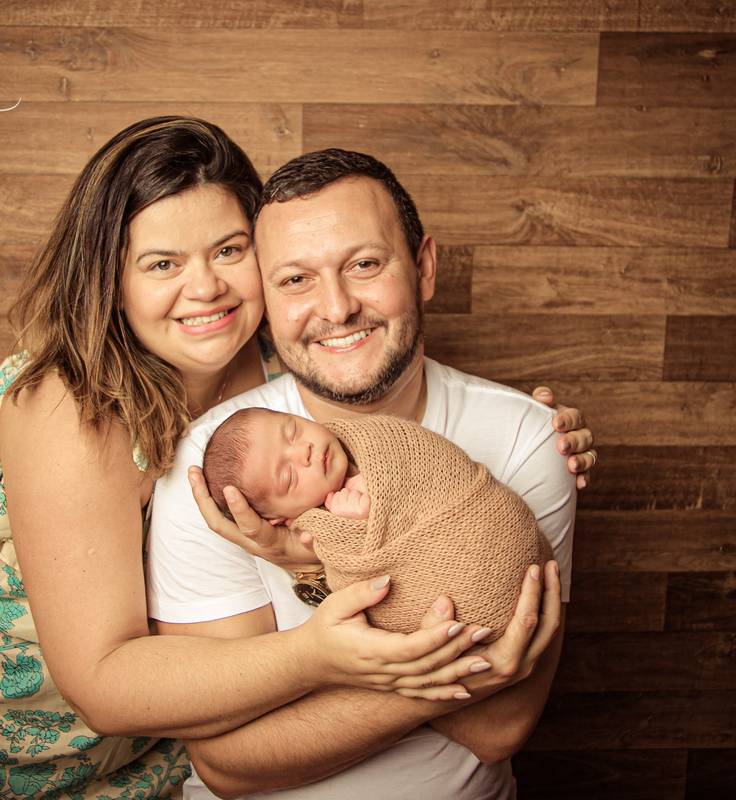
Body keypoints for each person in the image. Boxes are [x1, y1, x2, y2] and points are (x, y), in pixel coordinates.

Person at [0, 120, 537, 800]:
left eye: (229, 250)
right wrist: (318, 657)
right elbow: (105, 685)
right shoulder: (71, 406)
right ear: (109, 280)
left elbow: (395, 387)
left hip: (167, 737)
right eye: (162, 263)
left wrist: (532, 424)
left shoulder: (276, 360)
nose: (205, 287)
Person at [147, 148, 586, 799]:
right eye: (295, 280)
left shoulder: (526, 438)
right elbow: (227, 763)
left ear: (425, 267)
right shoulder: (222, 468)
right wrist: (442, 674)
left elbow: (499, 724)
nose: (337, 306)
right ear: (267, 302)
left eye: (365, 264)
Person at [200, 408, 553, 640]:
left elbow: (427, 460)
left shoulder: (373, 436)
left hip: (496, 525)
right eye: (289, 475)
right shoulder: (322, 528)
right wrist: (355, 527)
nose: (303, 451)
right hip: (465, 592)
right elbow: (357, 579)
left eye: (292, 432)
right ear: (281, 519)